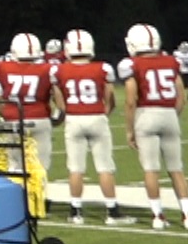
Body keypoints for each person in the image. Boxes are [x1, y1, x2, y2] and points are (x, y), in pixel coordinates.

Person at [118, 24, 188, 230]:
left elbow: (130, 99)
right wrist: (173, 115)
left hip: (146, 114)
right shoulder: (171, 61)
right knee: (176, 169)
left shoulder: (131, 64)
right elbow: (180, 95)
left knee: (151, 169)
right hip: (169, 114)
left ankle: (158, 216)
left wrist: (129, 129)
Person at [54, 29, 135, 225]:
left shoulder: (59, 70)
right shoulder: (103, 68)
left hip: (74, 119)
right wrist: (102, 112)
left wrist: (69, 112)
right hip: (97, 117)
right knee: (105, 167)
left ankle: (75, 211)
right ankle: (112, 211)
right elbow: (110, 98)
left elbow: (59, 102)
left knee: (75, 168)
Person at [0, 33, 59, 174]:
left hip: (14, 120)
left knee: (15, 166)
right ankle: (38, 195)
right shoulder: (48, 69)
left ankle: (17, 195)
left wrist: (8, 114)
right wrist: (58, 117)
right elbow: (58, 97)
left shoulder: (2, 68)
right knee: (40, 166)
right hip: (40, 119)